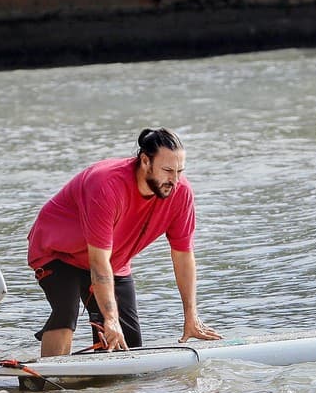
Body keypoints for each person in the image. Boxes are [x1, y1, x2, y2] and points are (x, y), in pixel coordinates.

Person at [27, 127, 221, 357]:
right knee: (66, 311)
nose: (175, 180)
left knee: (130, 345)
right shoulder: (107, 185)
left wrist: (191, 315)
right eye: (168, 170)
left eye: (180, 171)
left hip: (113, 261)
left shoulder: (181, 194)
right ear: (145, 161)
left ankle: (105, 386)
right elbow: (98, 261)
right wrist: (109, 318)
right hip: (58, 252)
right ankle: (48, 380)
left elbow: (183, 255)